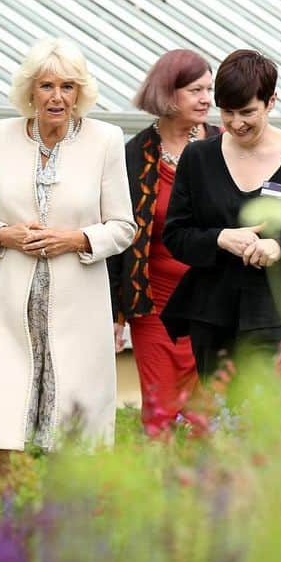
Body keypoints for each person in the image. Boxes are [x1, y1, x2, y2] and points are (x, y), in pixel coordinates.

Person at [0, 39, 135, 482]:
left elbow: (123, 227)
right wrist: (5, 234)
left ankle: (62, 535)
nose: (58, 97)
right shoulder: (0, 136)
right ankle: (12, 533)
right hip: (9, 311)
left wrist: (76, 239)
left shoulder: (105, 141)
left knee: (72, 439)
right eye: (47, 86)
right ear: (30, 91)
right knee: (5, 425)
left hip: (76, 313)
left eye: (68, 87)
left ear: (80, 93)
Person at [161, 49, 281, 380]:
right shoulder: (198, 158)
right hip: (217, 319)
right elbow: (176, 236)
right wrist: (220, 238)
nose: (235, 123)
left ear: (271, 102)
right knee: (224, 423)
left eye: (247, 112)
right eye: (227, 112)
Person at [108, 49, 221, 432]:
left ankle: (208, 491)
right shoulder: (134, 156)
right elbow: (117, 238)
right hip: (155, 304)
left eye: (209, 89)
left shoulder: (225, 147)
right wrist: (115, 316)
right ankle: (163, 489)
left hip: (214, 303)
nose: (207, 99)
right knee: (159, 414)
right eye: (195, 90)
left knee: (210, 416)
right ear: (167, 94)